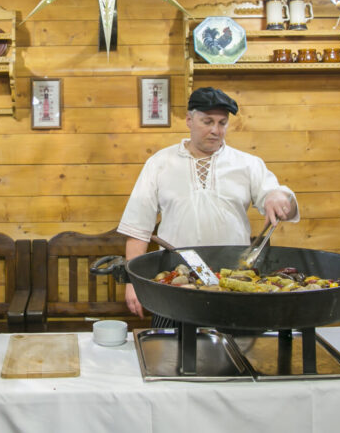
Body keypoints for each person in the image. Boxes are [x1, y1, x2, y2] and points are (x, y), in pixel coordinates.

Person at [117, 87, 299, 320]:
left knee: (234, 351)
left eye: (222, 123)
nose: (215, 130)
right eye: (207, 121)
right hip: (176, 282)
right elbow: (138, 228)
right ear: (189, 120)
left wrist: (280, 197)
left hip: (233, 283)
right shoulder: (160, 163)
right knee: (171, 351)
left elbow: (283, 203)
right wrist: (133, 282)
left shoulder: (247, 164)